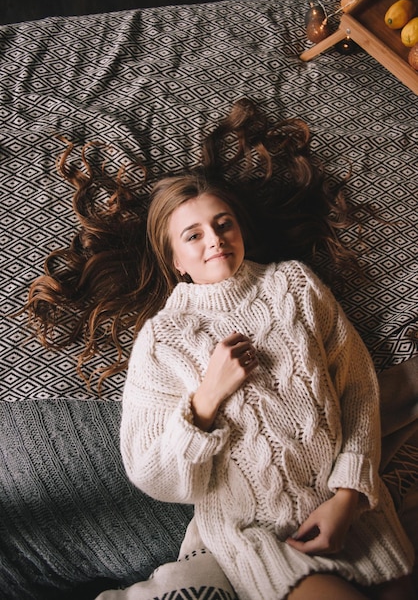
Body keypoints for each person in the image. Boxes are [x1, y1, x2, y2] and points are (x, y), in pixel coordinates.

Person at [25, 99, 415, 599]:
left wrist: (349, 494)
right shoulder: (162, 341)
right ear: (175, 260)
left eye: (223, 223)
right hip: (269, 537)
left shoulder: (294, 284)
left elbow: (358, 388)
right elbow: (154, 477)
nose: (215, 239)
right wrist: (206, 399)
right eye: (193, 235)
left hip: (358, 509)